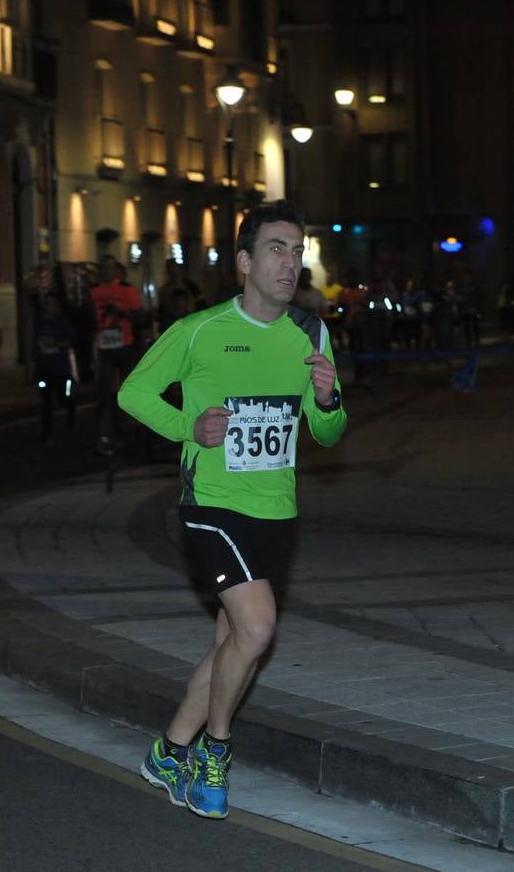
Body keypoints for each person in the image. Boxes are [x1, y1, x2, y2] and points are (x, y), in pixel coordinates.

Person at [119, 201, 347, 820]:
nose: (289, 262)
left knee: (232, 644)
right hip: (212, 505)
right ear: (244, 262)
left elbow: (327, 432)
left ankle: (169, 751)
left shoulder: (312, 332)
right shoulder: (200, 331)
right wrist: (188, 427)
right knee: (258, 628)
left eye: (297, 250)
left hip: (277, 508)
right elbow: (132, 391)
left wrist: (326, 400)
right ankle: (214, 753)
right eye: (276, 248)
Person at [91, 257, 143, 456]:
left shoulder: (126, 290)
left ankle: (133, 434)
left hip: (125, 348)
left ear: (116, 270)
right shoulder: (92, 290)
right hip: (103, 349)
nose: (105, 271)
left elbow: (140, 316)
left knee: (128, 392)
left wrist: (122, 315)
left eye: (108, 267)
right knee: (104, 394)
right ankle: (105, 436)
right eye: (102, 267)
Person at [34, 293, 78, 443]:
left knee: (63, 397)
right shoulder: (40, 323)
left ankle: (71, 413)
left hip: (60, 368)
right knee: (46, 401)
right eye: (47, 303)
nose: (49, 306)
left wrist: (56, 343)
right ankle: (47, 432)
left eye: (52, 303)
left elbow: (71, 341)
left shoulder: (62, 323)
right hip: (44, 368)